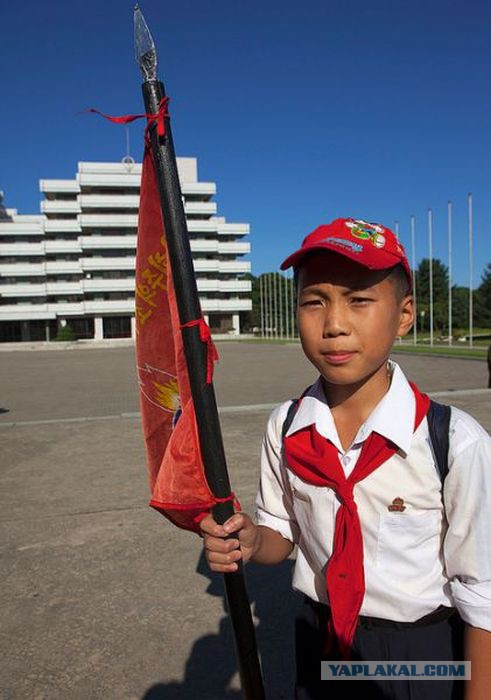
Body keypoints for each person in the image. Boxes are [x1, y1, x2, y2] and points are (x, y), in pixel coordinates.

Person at [200, 218, 491, 699]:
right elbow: (282, 536)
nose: (334, 324)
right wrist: (250, 541)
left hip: (416, 655)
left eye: (359, 299)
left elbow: (482, 593)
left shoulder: (455, 442)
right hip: (318, 637)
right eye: (314, 302)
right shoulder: (287, 426)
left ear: (404, 314)